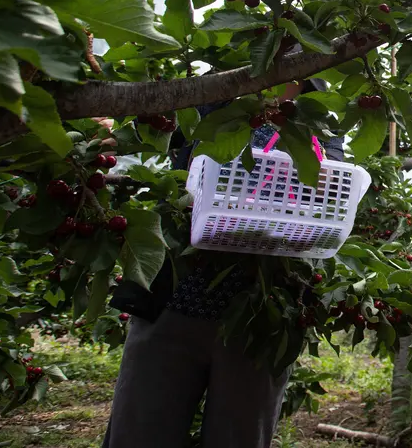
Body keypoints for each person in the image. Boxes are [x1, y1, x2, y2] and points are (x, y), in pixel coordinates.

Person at [103, 79, 343, 448]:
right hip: (173, 298)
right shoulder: (211, 103)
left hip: (259, 316)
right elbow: (151, 137)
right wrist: (108, 135)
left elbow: (327, 195)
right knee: (139, 431)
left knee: (238, 436)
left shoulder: (318, 127)